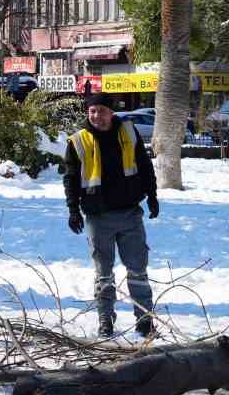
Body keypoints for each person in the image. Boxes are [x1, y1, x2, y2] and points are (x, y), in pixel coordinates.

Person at [62, 92, 160, 339]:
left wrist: (152, 195)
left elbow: (144, 165)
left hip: (129, 214)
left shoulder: (128, 131)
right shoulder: (78, 140)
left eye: (101, 111)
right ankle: (105, 319)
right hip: (98, 217)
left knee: (138, 270)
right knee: (103, 274)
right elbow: (71, 178)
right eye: (92, 111)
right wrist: (73, 210)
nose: (96, 116)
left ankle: (145, 320)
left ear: (111, 112)